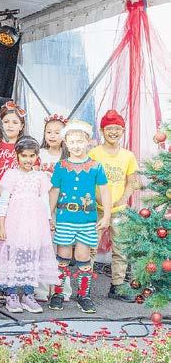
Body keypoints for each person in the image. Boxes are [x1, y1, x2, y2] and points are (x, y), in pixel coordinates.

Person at [48, 120, 111, 314]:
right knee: (63, 256)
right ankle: (58, 293)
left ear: (88, 142)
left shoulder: (96, 167)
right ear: (66, 143)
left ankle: (83, 295)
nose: (76, 146)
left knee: (83, 256)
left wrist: (107, 215)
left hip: (87, 219)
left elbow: (105, 191)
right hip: (65, 218)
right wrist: (49, 215)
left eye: (80, 141)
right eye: (72, 142)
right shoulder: (61, 166)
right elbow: (54, 191)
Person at [0, 136, 60, 313]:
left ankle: (29, 295)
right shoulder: (11, 175)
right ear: (17, 156)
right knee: (13, 254)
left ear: (37, 156)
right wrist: (2, 226)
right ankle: (11, 294)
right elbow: (4, 202)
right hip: (14, 221)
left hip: (35, 222)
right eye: (24, 156)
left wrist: (48, 220)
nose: (28, 160)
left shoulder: (40, 176)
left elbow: (44, 201)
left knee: (32, 255)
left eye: (32, 156)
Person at [88, 110, 139, 303]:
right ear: (102, 130)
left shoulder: (128, 156)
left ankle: (117, 286)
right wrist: (97, 200)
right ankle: (85, 285)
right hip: (97, 209)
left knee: (121, 249)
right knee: (90, 246)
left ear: (123, 131)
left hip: (119, 211)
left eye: (117, 129)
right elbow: (87, 180)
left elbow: (132, 182)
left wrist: (123, 199)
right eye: (109, 128)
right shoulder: (94, 153)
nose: (113, 132)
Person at [34, 113, 69, 302]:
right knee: (42, 247)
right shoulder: (39, 154)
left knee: (61, 248)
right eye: (49, 132)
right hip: (41, 205)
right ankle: (41, 289)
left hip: (63, 207)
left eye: (57, 132)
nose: (52, 136)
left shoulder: (68, 157)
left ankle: (61, 288)